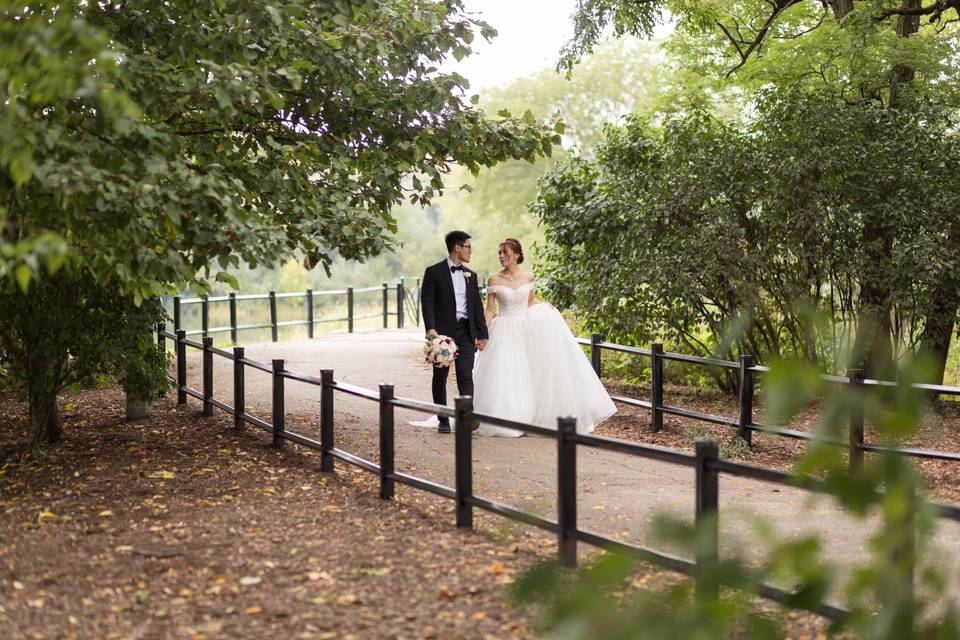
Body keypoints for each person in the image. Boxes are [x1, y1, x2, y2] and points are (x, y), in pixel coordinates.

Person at [473, 238, 616, 437]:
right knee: (507, 371)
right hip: (504, 328)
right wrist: (482, 332)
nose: (501, 256)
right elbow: (490, 310)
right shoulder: (494, 279)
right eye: (500, 253)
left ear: (516, 255)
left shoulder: (528, 276)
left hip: (526, 329)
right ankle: (509, 416)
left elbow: (530, 301)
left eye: (505, 252)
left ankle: (533, 417)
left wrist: (545, 306)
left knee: (531, 372)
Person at [420, 230, 488, 433]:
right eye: (468, 247)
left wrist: (482, 334)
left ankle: (466, 418)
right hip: (443, 332)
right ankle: (442, 419)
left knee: (466, 375)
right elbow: (428, 302)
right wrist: (431, 328)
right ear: (457, 247)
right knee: (440, 376)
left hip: (466, 331)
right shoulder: (434, 272)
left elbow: (477, 306)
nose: (470, 251)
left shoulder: (471, 275)